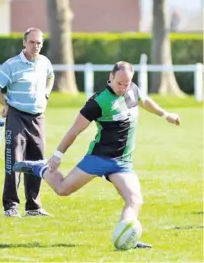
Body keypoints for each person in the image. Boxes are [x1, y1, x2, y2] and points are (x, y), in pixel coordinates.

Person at [14, 61, 180, 246]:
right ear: (110, 77)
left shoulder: (132, 89)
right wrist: (58, 155)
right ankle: (41, 168)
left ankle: (127, 236)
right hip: (98, 158)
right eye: (119, 84)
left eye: (127, 84)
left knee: (134, 199)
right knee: (62, 189)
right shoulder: (97, 102)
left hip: (122, 162)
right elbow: (74, 130)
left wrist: (165, 115)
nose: (123, 88)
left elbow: (145, 101)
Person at [0, 27, 55, 217]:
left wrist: (46, 94)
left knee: (37, 161)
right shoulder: (12, 65)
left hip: (38, 117)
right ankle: (11, 206)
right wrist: (6, 104)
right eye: (32, 42)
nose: (35, 46)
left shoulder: (44, 62)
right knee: (14, 161)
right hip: (16, 116)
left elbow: (51, 76)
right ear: (24, 43)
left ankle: (33, 207)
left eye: (39, 43)